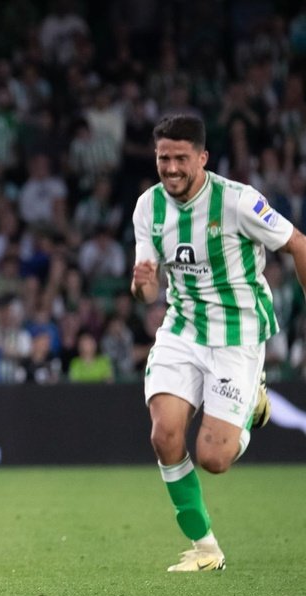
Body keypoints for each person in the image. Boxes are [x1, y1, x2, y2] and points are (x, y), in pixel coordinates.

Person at [131, 114, 306, 572]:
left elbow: (299, 245)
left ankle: (251, 404)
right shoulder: (148, 207)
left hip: (236, 333)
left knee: (214, 458)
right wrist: (142, 284)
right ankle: (205, 548)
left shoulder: (238, 202)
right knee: (164, 434)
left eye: (180, 158)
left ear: (202, 158)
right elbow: (147, 291)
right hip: (183, 326)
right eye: (163, 157)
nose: (170, 167)